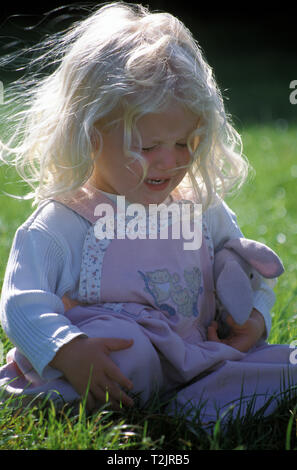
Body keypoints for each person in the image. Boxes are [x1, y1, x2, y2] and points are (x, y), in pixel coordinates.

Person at [0, 2, 295, 426]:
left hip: (195, 355)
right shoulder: (65, 219)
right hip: (105, 362)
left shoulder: (200, 208)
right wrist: (66, 348)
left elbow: (247, 272)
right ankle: (85, 395)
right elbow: (22, 301)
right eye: (147, 145)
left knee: (287, 362)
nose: (169, 162)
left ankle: (197, 400)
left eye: (184, 144)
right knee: (129, 349)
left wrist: (253, 320)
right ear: (89, 131)